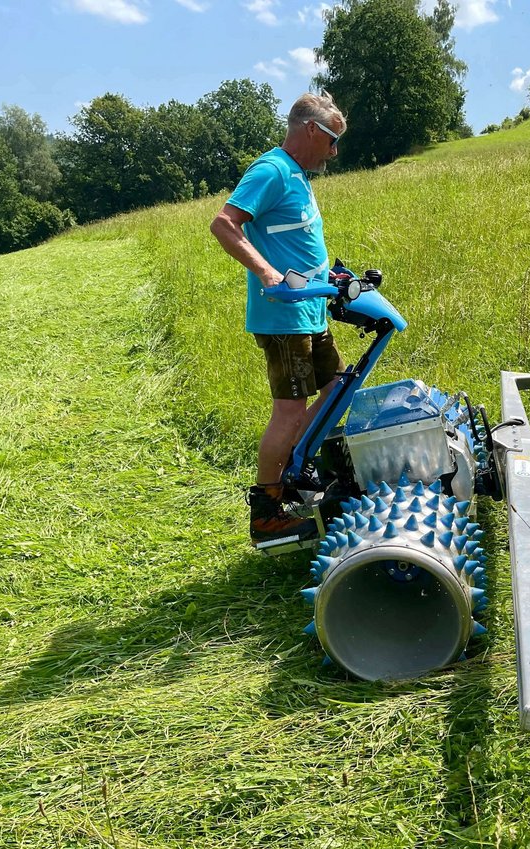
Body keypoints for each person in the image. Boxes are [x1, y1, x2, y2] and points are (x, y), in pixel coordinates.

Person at [210, 92, 347, 543]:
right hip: (283, 319)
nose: (334, 152)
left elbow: (293, 242)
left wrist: (330, 274)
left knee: (335, 391)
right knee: (289, 414)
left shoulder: (299, 176)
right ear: (311, 130)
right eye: (332, 141)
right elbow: (224, 224)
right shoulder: (270, 170)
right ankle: (267, 514)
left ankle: (298, 469)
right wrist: (267, 272)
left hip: (311, 310)